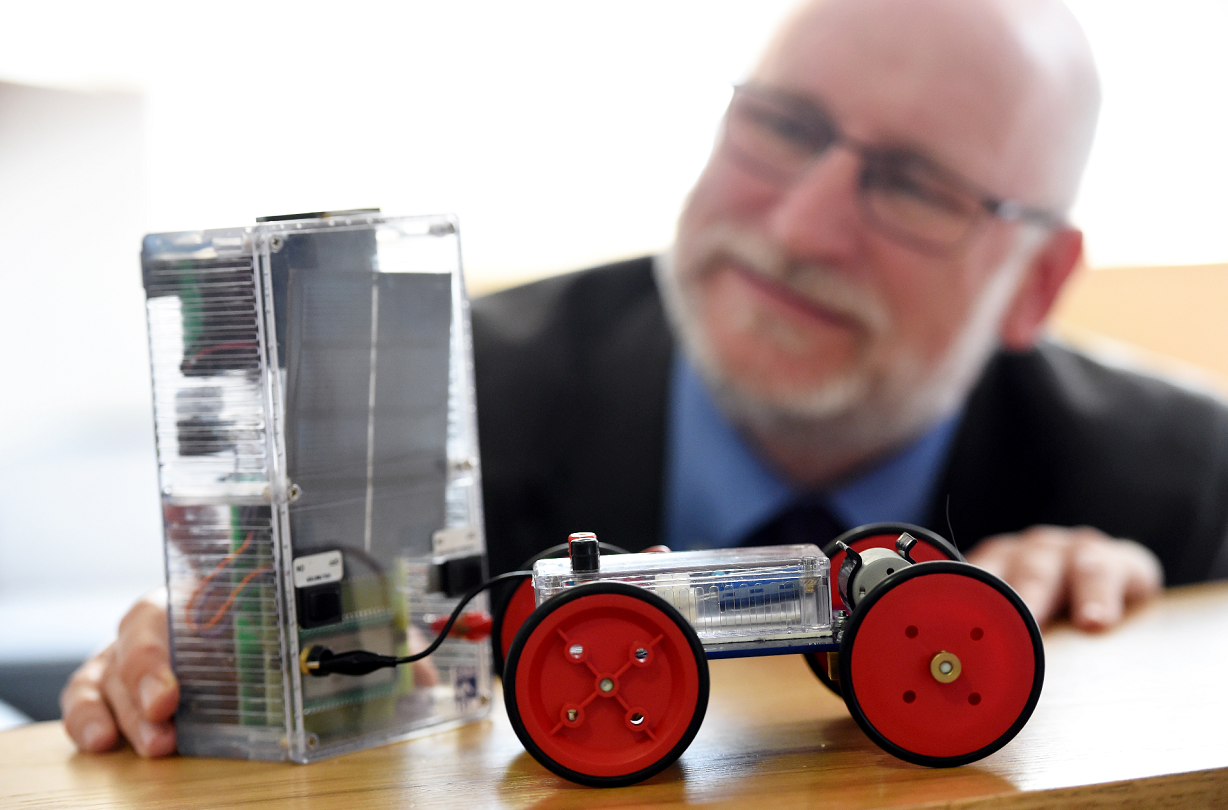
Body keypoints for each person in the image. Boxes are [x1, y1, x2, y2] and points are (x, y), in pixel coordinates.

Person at [61, 0, 1228, 759]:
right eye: (782, 126)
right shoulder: (432, 405)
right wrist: (211, 654)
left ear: (1036, 282)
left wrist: (1124, 627)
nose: (806, 224)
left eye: (916, 185)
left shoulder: (1191, 489)